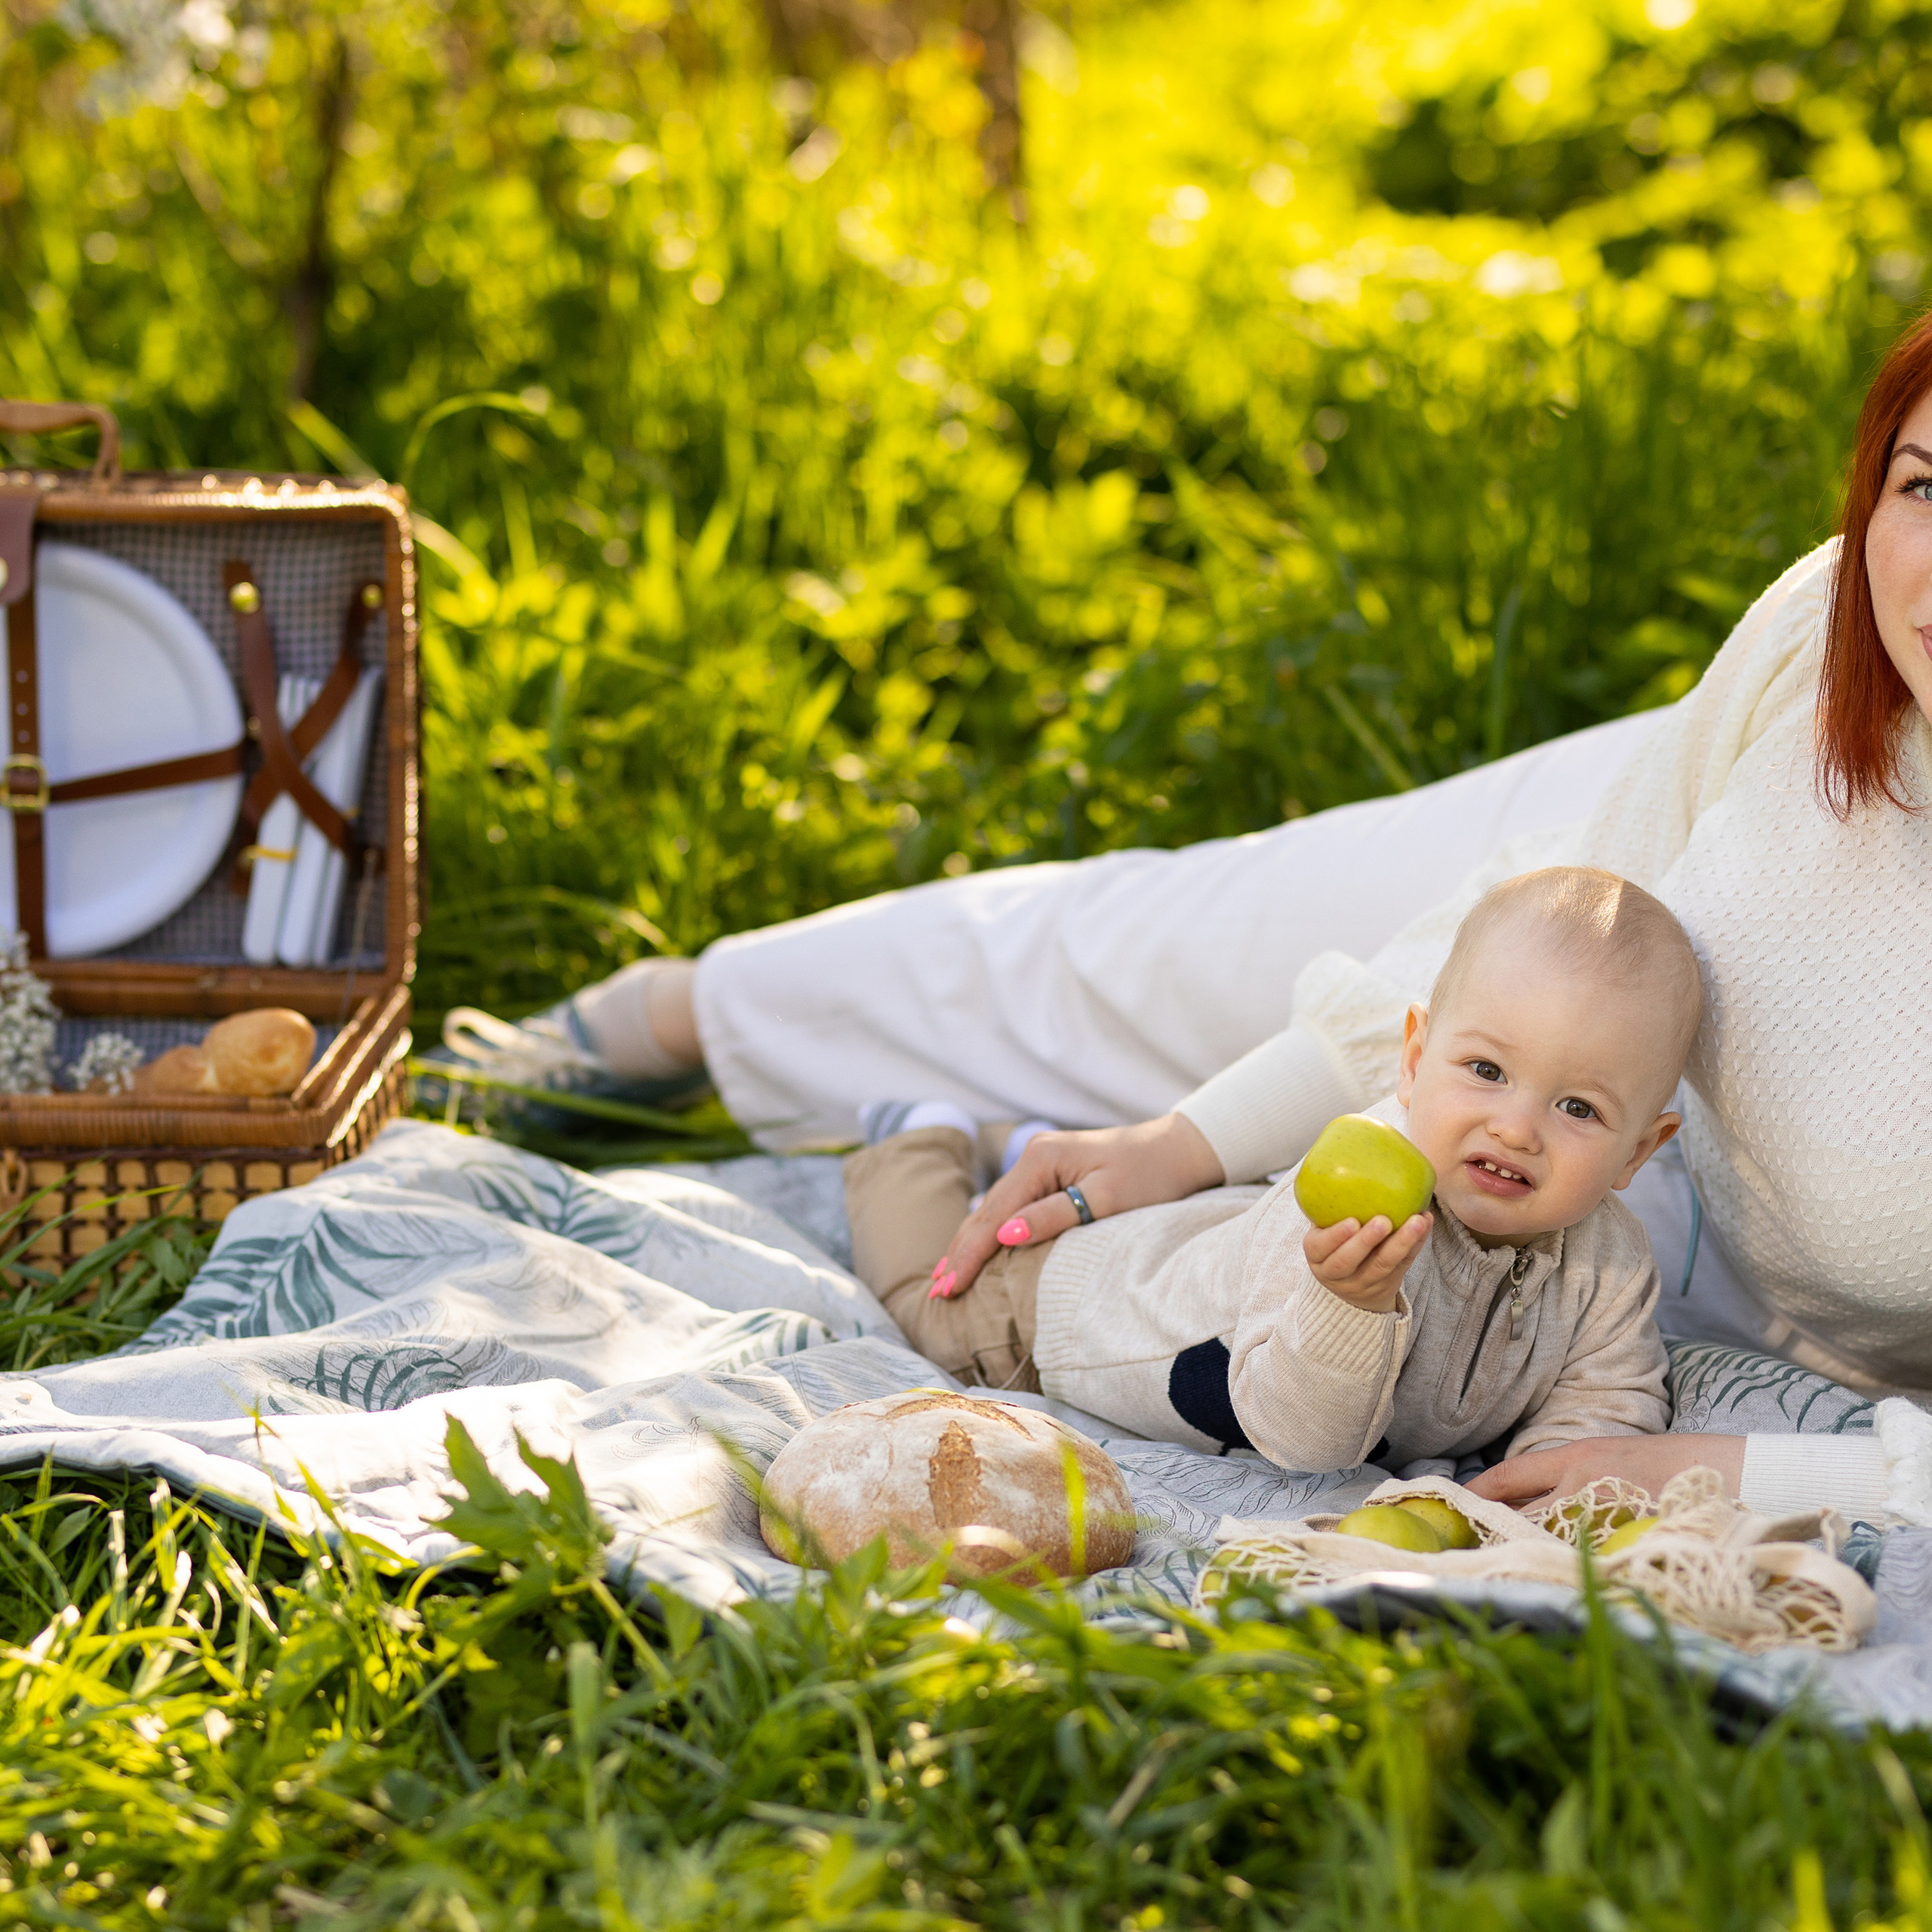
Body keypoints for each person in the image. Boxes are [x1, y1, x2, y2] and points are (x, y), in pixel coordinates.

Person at [441, 309, 1932, 1527]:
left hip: (1628, 1188)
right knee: (1152, 961)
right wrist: (1179, 1142)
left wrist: (1761, 1467)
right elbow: (1578, 871)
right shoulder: (1826, 629)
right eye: (1922, 485)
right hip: (1586, 937)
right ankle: (673, 1010)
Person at [841, 866, 1697, 1478]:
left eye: (1578, 1108)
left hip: (1191, 1239)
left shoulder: (1609, 1262)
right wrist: (1347, 1304)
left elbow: (1605, 1404)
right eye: (1485, 1070)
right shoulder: (1339, 1201)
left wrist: (1546, 1495)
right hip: (1055, 1317)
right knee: (927, 1303)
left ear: (1638, 1152)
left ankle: (1012, 1136)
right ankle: (920, 1136)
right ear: (1413, 1056)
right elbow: (1301, 1439)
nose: (1515, 1127)